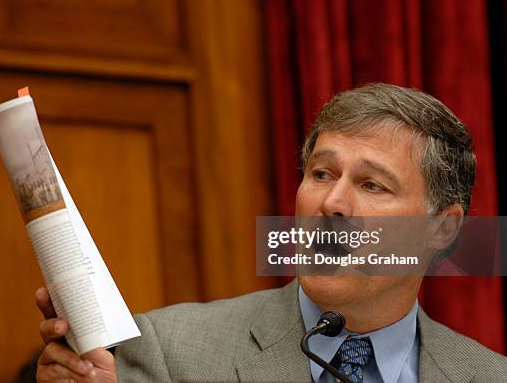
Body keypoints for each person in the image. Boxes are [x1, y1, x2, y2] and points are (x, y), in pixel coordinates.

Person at [34, 83, 507, 382]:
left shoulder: (488, 375)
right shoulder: (171, 352)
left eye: (371, 185)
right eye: (321, 174)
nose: (332, 204)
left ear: (442, 229)